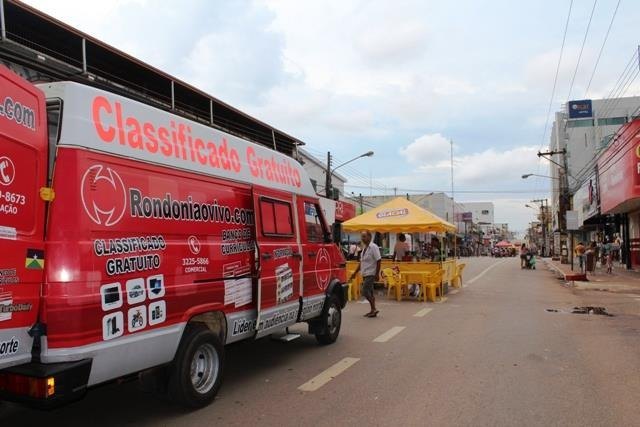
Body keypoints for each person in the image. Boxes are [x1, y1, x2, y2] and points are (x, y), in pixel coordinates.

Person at [349, 230, 381, 318]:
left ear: (370, 237)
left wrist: (377, 274)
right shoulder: (364, 248)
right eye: (362, 237)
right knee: (370, 292)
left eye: (364, 236)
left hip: (371, 273)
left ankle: (374, 308)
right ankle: (373, 310)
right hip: (365, 273)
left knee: (365, 291)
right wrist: (355, 273)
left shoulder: (373, 247)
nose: (362, 238)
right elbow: (361, 263)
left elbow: (378, 260)